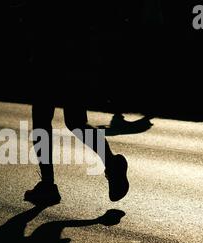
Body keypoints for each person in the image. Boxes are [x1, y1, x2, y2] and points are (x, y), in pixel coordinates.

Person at [23, 1, 129, 206]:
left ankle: (48, 185)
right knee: (76, 122)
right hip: (77, 56)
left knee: (42, 120)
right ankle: (111, 163)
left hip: (50, 52)